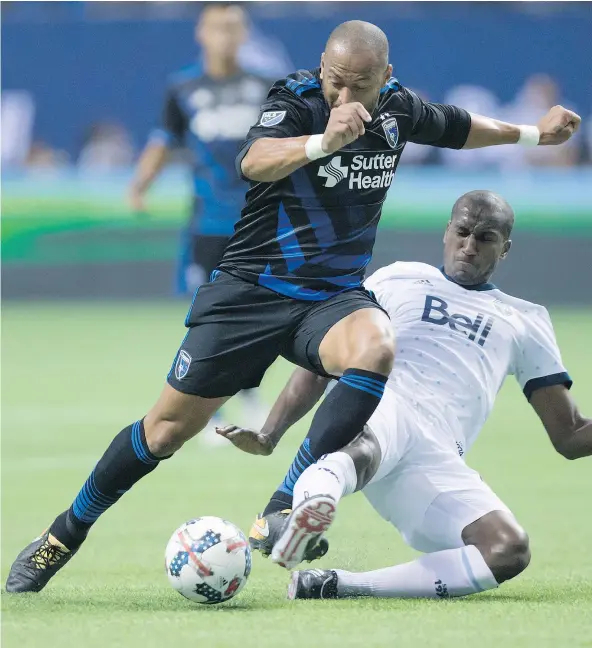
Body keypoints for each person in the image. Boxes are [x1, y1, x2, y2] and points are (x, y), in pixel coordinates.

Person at [6, 20, 580, 594]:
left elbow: (461, 128)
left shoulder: (399, 111)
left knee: (375, 344)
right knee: (162, 433)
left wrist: (534, 134)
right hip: (251, 292)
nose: (345, 96)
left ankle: (281, 506)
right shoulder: (296, 99)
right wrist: (323, 142)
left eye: (361, 85)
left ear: (387, 77)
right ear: (322, 69)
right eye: (336, 81)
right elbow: (254, 161)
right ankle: (62, 536)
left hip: (329, 297)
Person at [220, 190, 591, 599]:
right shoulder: (395, 278)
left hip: (437, 456)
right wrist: (271, 433)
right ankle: (310, 507)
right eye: (463, 232)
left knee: (508, 549)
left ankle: (338, 585)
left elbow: (570, 435)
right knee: (372, 424)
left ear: (505, 248)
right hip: (387, 408)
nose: (469, 247)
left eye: (485, 238)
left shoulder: (525, 319)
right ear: (447, 231)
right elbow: (321, 365)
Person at [129, 2, 272, 433]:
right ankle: (210, 409)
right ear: (201, 33)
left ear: (245, 33)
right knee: (208, 316)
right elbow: (164, 139)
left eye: (233, 27)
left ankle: (250, 395)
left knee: (254, 312)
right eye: (217, 27)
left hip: (258, 221)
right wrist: (140, 185)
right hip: (207, 222)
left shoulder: (267, 87)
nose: (225, 36)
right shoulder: (183, 88)